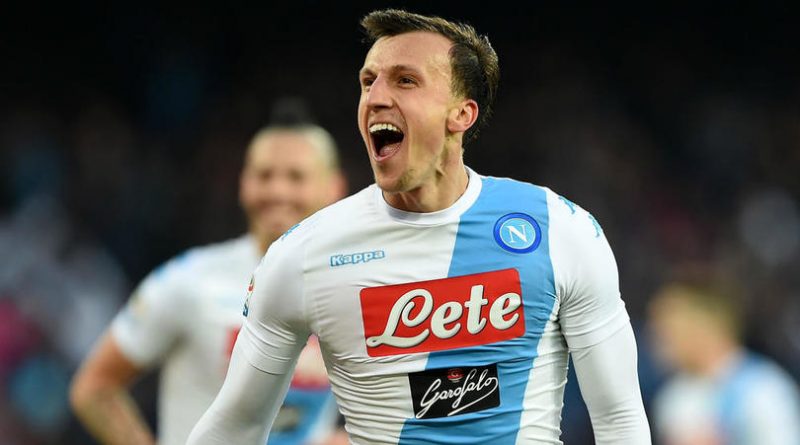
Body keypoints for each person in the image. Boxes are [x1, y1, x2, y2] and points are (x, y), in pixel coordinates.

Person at [188, 9, 650, 445]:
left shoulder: (558, 228)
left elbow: (619, 418)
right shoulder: (303, 255)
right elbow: (235, 426)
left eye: (405, 80)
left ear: (462, 114)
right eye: (368, 82)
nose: (376, 97)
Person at [69, 106, 348, 445]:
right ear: (243, 184)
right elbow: (94, 387)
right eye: (264, 176)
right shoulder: (189, 280)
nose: (277, 191)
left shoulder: (351, 289)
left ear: (334, 187)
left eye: (295, 177)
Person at [649, 275, 800, 445]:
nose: (658, 342)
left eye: (668, 331)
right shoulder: (672, 396)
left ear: (703, 326)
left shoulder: (765, 389)